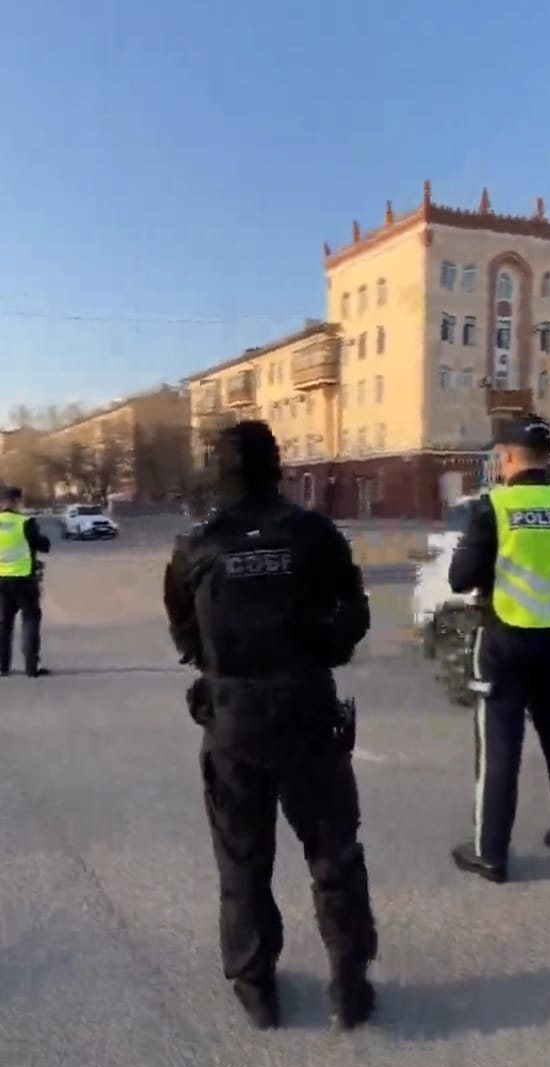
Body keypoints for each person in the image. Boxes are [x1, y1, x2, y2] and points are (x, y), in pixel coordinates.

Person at [163, 420, 378, 1031]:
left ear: (219, 473)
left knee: (243, 859)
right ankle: (350, 982)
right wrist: (318, 652)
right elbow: (353, 615)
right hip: (308, 710)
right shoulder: (314, 533)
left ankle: (255, 984)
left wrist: (225, 667)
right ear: (278, 467)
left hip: (233, 720)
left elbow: (185, 636)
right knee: (334, 852)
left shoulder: (195, 547)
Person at [447, 415, 550, 883]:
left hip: (503, 640)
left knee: (500, 747)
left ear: (506, 457)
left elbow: (459, 577)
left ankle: (491, 853)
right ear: (547, 457)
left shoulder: (496, 506)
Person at [0, 486, 52, 678]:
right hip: (24, 578)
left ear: (1, 502)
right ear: (17, 501)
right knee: (30, 620)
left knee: (4, 622)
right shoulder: (25, 523)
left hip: (0, 578)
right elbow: (44, 545)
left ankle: (2, 666)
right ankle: (31, 667)